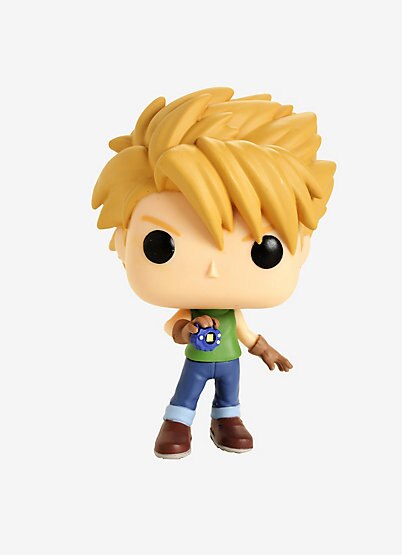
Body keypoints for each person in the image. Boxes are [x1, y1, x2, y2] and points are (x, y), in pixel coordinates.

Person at [92, 87, 336, 459]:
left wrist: (265, 350)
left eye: (263, 250)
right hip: (197, 361)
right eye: (160, 244)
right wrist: (187, 329)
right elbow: (173, 329)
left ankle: (227, 420)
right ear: (125, 242)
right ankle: (177, 423)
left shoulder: (231, 313)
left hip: (231, 362)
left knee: (230, 394)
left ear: (302, 249)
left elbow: (245, 332)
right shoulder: (193, 310)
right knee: (186, 392)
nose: (213, 268)